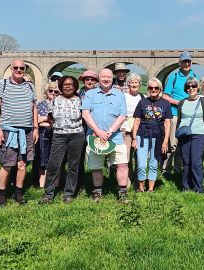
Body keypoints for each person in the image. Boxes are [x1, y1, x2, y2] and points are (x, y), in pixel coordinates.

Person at [0, 59, 39, 207]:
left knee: (22, 164)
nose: (19, 70)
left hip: (26, 131)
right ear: (11, 69)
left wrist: (35, 128)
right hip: (8, 131)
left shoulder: (30, 86)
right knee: (7, 164)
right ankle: (2, 194)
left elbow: (34, 108)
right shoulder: (3, 84)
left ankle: (18, 193)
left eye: (21, 68)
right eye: (16, 68)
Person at [81, 68, 129, 203]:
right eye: (103, 77)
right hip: (95, 137)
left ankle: (123, 193)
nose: (106, 79)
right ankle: (97, 192)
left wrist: (110, 131)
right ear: (99, 78)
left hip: (115, 137)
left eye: (108, 77)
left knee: (122, 164)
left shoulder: (119, 95)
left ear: (112, 78)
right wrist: (97, 131)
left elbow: (123, 115)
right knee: (96, 167)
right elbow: (85, 113)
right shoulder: (90, 94)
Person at [40, 76, 86, 203]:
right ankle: (48, 193)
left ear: (75, 86)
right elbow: (50, 116)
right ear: (61, 86)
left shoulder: (80, 100)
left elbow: (85, 116)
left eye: (71, 84)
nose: (68, 86)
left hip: (76, 135)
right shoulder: (55, 100)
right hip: (59, 135)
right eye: (65, 84)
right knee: (53, 164)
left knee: (73, 165)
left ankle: (69, 193)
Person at [131, 78, 172, 192]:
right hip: (142, 136)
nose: (153, 90)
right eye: (151, 88)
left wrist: (165, 142)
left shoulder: (165, 103)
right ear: (148, 89)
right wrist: (134, 138)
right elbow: (137, 121)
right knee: (141, 164)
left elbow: (167, 124)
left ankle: (150, 189)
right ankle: (141, 188)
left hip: (158, 138)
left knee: (154, 164)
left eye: (156, 88)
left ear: (160, 89)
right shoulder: (143, 102)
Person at [162, 51, 198, 176]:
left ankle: (178, 168)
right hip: (175, 114)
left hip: (189, 116)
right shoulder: (174, 76)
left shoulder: (195, 76)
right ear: (180, 63)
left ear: (191, 62)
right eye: (184, 61)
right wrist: (179, 103)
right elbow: (165, 96)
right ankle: (166, 169)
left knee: (183, 143)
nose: (186, 63)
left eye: (188, 61)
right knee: (173, 143)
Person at [177, 77, 204, 193]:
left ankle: (198, 188)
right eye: (188, 86)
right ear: (186, 89)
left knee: (196, 161)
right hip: (184, 134)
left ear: (198, 88)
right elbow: (179, 119)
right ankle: (186, 187)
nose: (191, 88)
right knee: (186, 162)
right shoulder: (182, 103)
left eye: (193, 86)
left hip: (199, 134)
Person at [35, 82, 60, 188]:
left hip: (57, 134)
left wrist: (44, 119)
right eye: (51, 91)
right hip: (43, 133)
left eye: (56, 91)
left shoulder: (60, 104)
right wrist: (48, 119)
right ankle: (42, 185)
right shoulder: (41, 104)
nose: (53, 93)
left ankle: (55, 184)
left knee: (56, 159)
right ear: (46, 91)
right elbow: (36, 120)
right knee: (43, 160)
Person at [122, 73, 144, 187]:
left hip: (139, 130)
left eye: (136, 82)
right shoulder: (123, 96)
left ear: (139, 84)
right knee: (126, 157)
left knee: (139, 157)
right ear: (128, 84)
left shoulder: (143, 96)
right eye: (132, 82)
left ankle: (138, 182)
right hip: (126, 129)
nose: (134, 84)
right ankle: (127, 182)